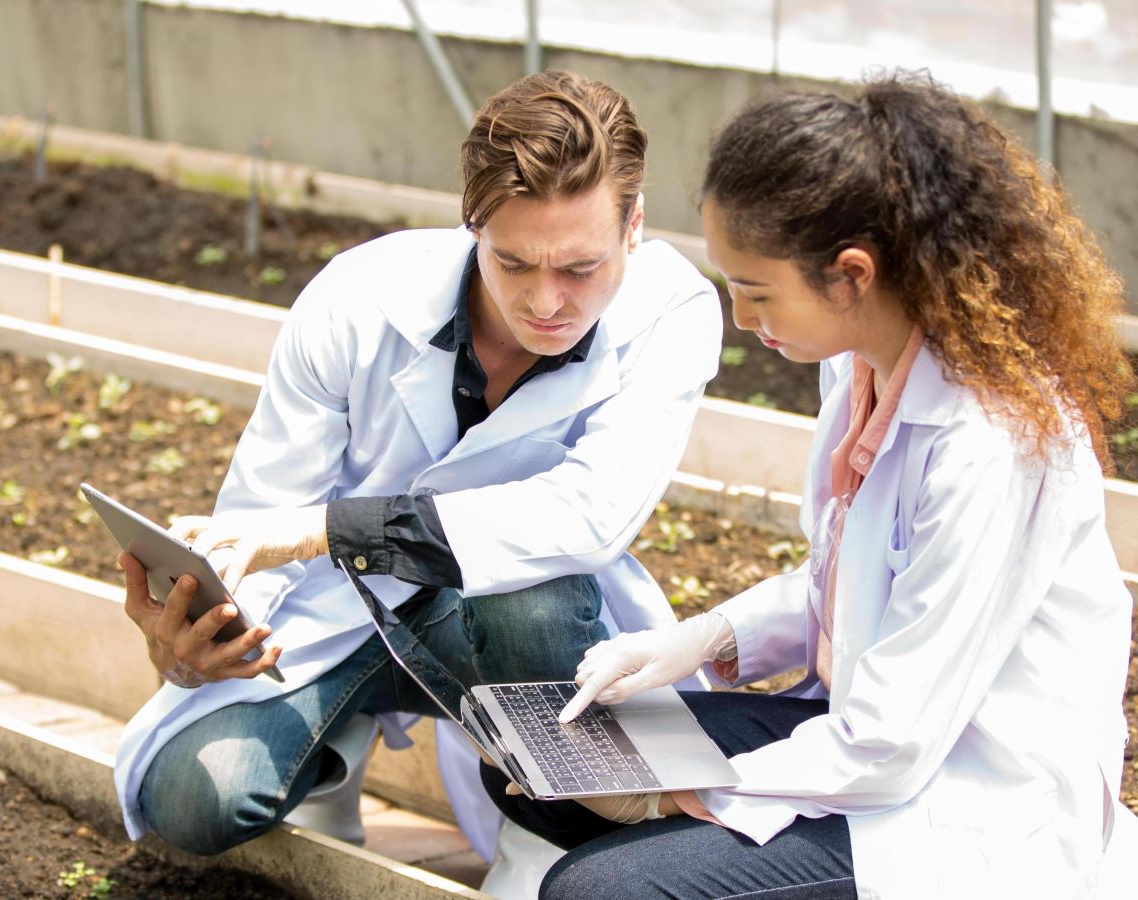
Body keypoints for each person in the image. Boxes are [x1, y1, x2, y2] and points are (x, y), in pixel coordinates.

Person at [484, 71, 1138, 898]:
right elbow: (853, 579)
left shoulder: (990, 439)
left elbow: (893, 743)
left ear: (851, 275)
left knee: (595, 889)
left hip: (967, 800)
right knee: (548, 767)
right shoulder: (858, 364)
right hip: (867, 738)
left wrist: (667, 794)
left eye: (756, 292)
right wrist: (700, 640)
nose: (743, 318)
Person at [109, 70, 722, 862]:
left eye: (579, 268)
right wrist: (202, 643)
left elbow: (588, 515)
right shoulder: (358, 298)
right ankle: (334, 754)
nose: (546, 302)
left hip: (517, 625)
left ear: (634, 226)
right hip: (339, 615)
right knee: (194, 800)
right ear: (473, 227)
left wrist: (325, 532)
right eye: (513, 262)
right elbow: (266, 505)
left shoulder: (671, 311)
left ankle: (541, 822)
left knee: (529, 602)